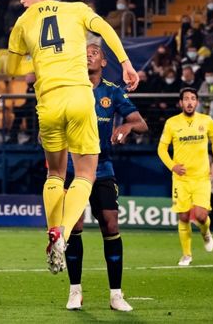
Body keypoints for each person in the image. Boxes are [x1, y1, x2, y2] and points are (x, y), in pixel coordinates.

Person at [6, 0, 139, 275]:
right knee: (85, 172)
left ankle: (53, 229)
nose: (22, 0)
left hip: (48, 103)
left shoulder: (22, 23)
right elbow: (105, 28)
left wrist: (38, 61)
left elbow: (14, 68)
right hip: (80, 98)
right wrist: (126, 64)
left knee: (54, 172)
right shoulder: (77, 9)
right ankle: (61, 234)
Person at [64, 43, 148, 312]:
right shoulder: (68, 90)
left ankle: (116, 295)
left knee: (111, 226)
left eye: (95, 53)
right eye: (85, 52)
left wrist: (126, 124)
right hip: (73, 169)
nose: (89, 54)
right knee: (74, 226)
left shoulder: (112, 92)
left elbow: (141, 123)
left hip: (103, 169)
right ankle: (75, 292)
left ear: (103, 63)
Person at [157, 88, 213, 266]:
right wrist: (173, 166)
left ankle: (206, 233)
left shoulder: (206, 121)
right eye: (186, 99)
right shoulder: (172, 123)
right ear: (180, 103)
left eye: (193, 99)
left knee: (201, 216)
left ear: (197, 102)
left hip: (201, 177)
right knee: (184, 217)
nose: (189, 102)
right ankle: (187, 254)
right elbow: (161, 149)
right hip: (181, 179)